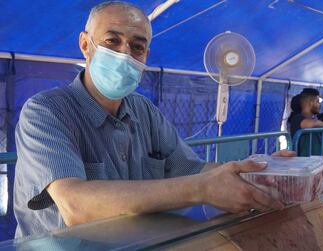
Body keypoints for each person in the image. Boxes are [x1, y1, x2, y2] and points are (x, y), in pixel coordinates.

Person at [13, 1, 293, 238]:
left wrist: (256, 174)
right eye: (112, 41)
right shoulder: (45, 112)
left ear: (146, 55)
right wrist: (202, 189)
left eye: (137, 46)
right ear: (86, 44)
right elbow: (76, 207)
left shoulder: (143, 112)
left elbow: (192, 169)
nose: (125, 54)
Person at [288, 88, 323, 156]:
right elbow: (311, 124)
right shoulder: (296, 118)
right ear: (310, 102)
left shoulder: (314, 119)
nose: (319, 104)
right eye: (317, 101)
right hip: (303, 163)